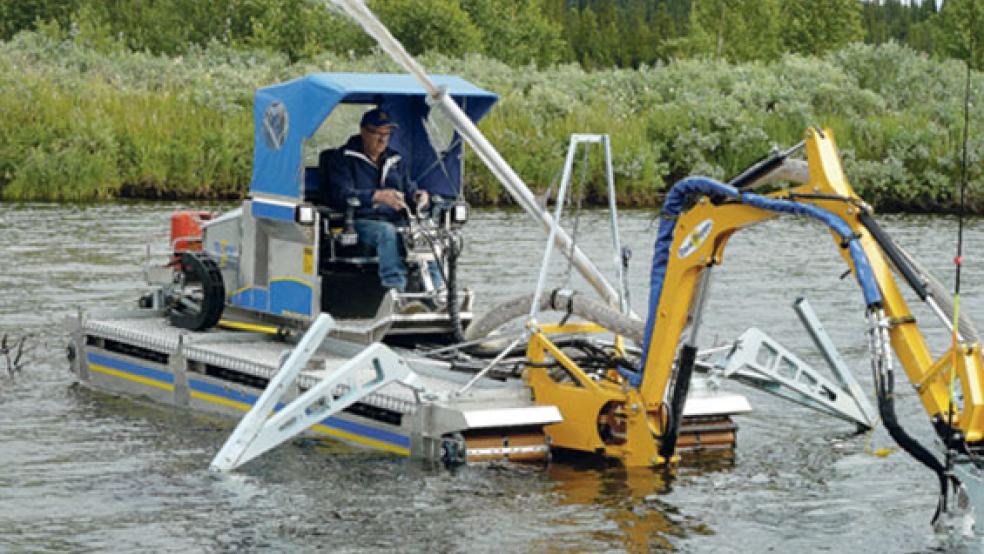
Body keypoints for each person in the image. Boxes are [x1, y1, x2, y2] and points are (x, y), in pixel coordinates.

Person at [324, 108, 432, 293]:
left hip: (396, 219)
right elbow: (341, 195)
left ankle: (437, 290)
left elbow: (409, 190)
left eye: (387, 134)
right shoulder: (342, 158)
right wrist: (377, 196)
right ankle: (395, 289)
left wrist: (419, 197)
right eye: (377, 134)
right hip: (359, 221)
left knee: (427, 232)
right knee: (386, 232)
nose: (383, 139)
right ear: (363, 131)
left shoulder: (396, 159)